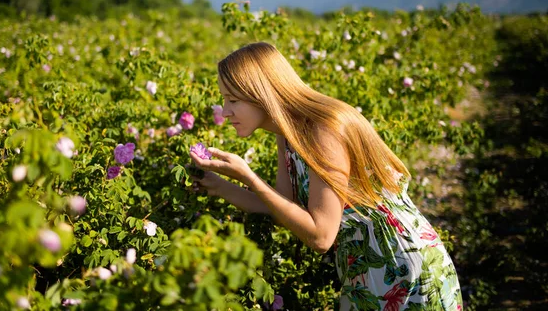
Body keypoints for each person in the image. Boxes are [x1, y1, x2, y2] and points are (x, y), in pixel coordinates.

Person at [188, 42, 463, 310]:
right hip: (367, 262)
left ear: (262, 93)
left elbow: (321, 237)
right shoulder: (288, 135)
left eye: (233, 99)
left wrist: (249, 176)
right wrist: (219, 186)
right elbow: (283, 206)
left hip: (396, 261)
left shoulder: (321, 130)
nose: (225, 111)